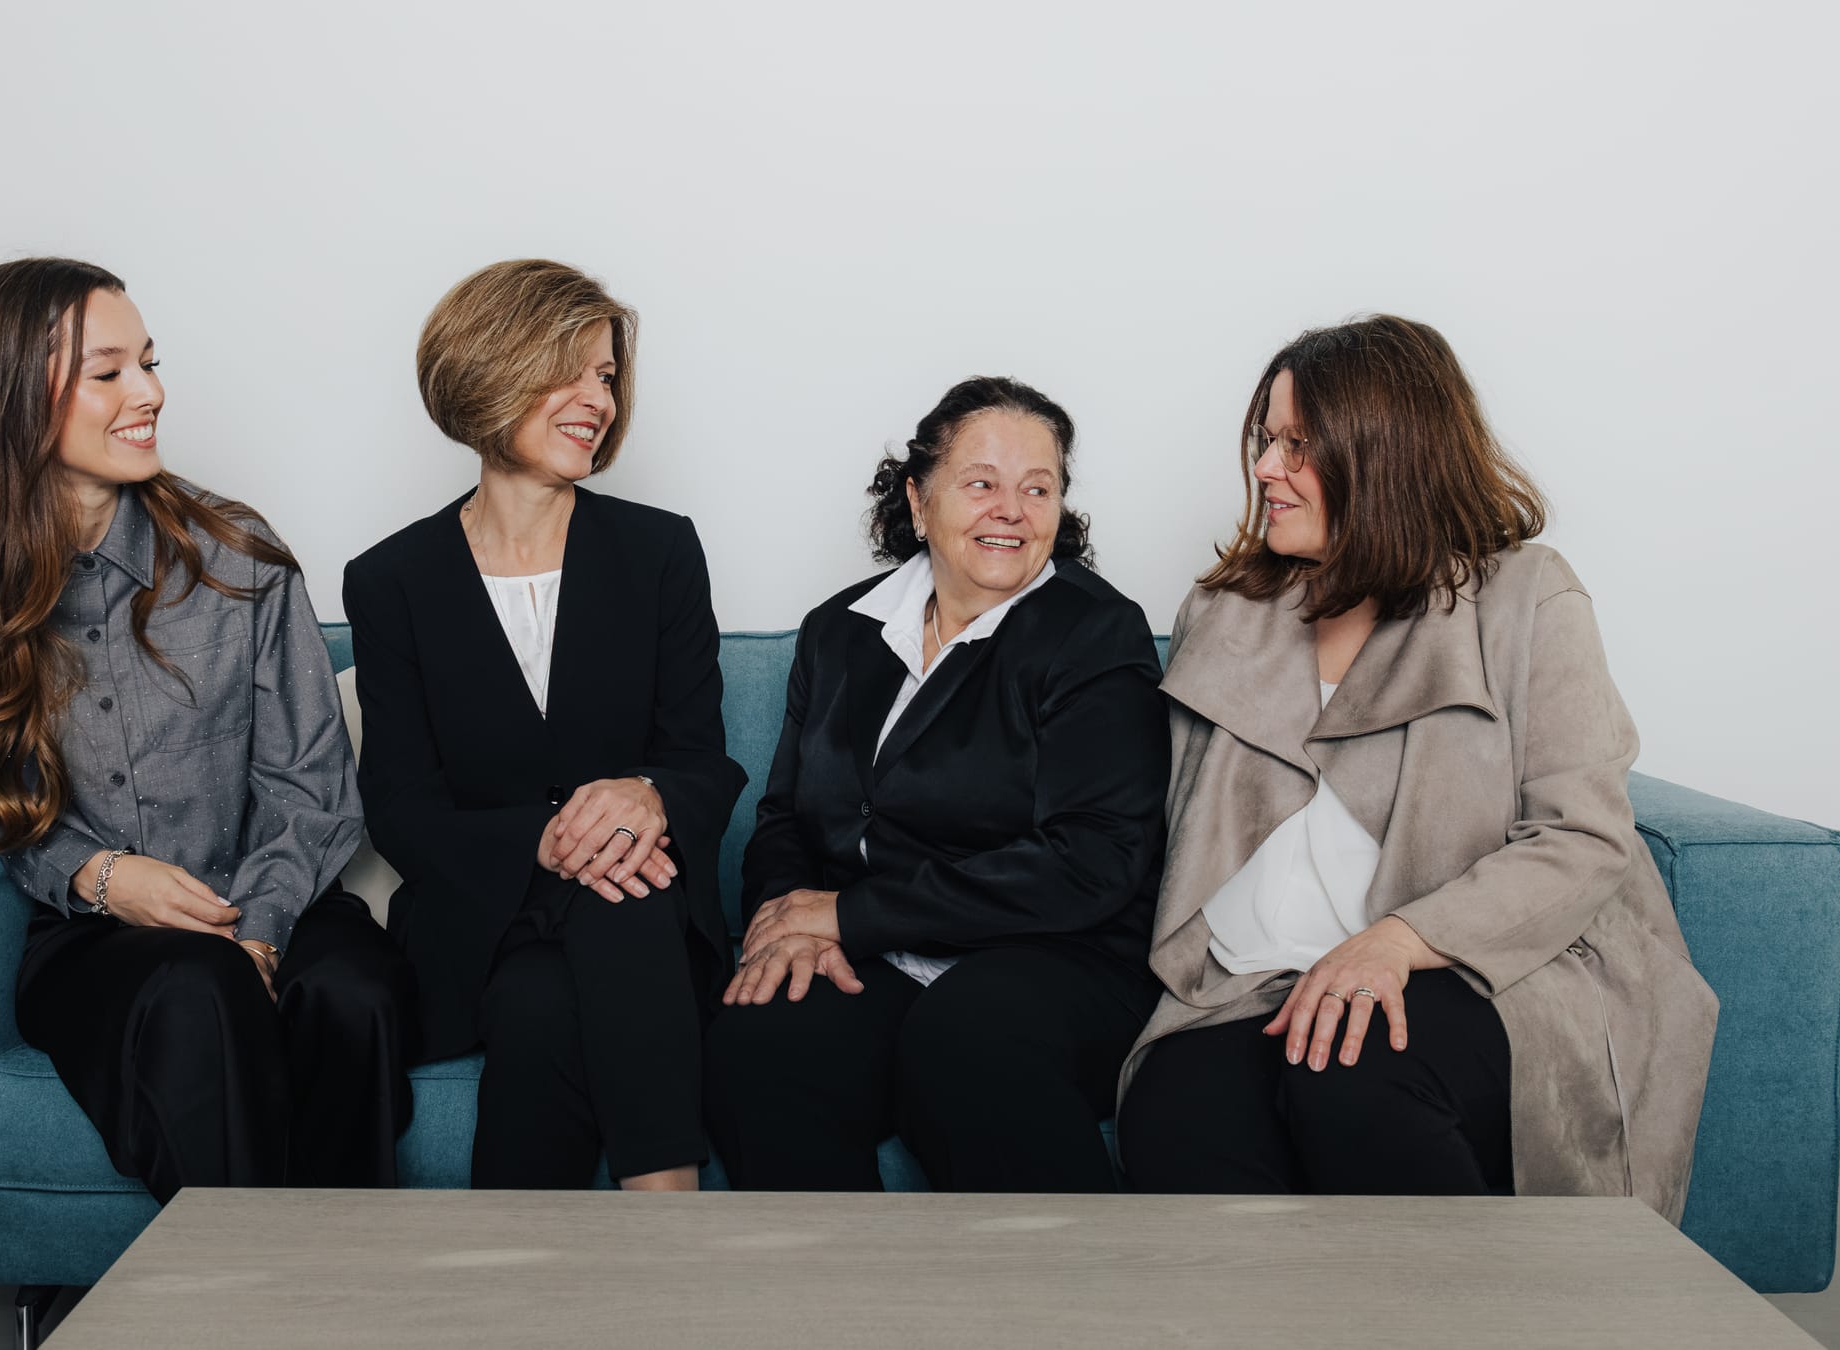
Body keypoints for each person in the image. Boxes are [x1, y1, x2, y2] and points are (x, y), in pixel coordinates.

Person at [1116, 315, 1717, 1217]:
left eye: (1297, 445)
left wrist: (1397, 943)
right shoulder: (1227, 609)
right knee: (1175, 1108)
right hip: (1253, 981)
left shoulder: (1527, 597)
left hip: (1481, 970)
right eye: (1265, 441)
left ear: (1384, 454)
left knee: (1354, 1071)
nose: (1265, 469)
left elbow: (1583, 837)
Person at [0, 257, 415, 1202]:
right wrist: (97, 874)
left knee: (355, 996)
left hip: (269, 900)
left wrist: (259, 930)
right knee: (193, 995)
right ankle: (243, 1309)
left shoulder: (236, 551)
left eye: (152, 364)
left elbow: (313, 782)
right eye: (111, 371)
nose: (152, 393)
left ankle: (337, 1299)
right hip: (94, 939)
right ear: (15, 392)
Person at [705, 376, 1169, 1193]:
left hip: (1054, 955)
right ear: (918, 502)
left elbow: (1091, 862)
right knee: (766, 1034)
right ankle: (831, 1311)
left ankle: (1077, 1314)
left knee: (966, 1041)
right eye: (982, 483)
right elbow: (784, 820)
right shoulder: (838, 632)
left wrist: (849, 913)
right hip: (876, 956)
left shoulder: (1096, 633)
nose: (1012, 510)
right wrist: (794, 924)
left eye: (1039, 488)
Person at [341, 259, 744, 1191]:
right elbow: (401, 806)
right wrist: (557, 843)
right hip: (483, 921)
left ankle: (515, 1307)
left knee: (556, 989)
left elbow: (702, 762)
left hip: (640, 915)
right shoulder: (392, 579)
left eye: (605, 376)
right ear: (489, 371)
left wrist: (644, 796)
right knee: (602, 912)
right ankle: (670, 1228)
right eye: (569, 372)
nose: (597, 400)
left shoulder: (659, 551)